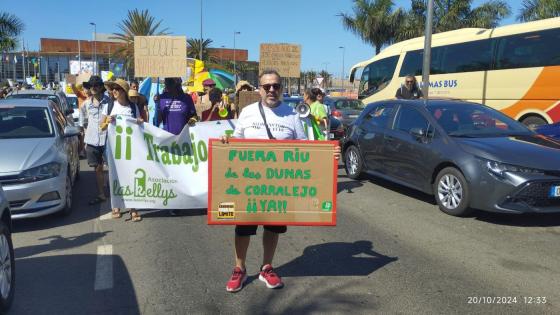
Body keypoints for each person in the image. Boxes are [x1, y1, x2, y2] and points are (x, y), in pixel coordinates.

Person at [223, 70, 340, 293]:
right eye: (267, 86)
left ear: (281, 88)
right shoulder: (247, 112)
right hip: (249, 185)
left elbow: (304, 148)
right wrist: (225, 141)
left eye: (275, 86)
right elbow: (236, 141)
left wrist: (328, 155)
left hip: (279, 186)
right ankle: (239, 269)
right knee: (243, 227)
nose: (271, 90)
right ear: (259, 89)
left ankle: (267, 267)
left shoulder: (292, 115)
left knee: (273, 226)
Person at [103, 78, 143, 222]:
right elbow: (101, 127)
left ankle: (133, 207)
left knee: (131, 176)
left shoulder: (133, 107)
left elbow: (140, 124)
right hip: (114, 148)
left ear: (124, 92)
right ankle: (116, 206)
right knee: (115, 175)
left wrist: (139, 122)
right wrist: (106, 122)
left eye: (117, 89)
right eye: (113, 89)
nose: (114, 91)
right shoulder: (108, 106)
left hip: (131, 147)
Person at [81, 76, 111, 207]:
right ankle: (101, 194)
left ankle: (115, 193)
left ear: (101, 88)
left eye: (96, 85)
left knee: (112, 168)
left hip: (108, 140)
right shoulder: (85, 104)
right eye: (91, 85)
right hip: (92, 140)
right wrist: (83, 143)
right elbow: (83, 124)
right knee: (98, 168)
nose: (92, 88)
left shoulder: (110, 102)